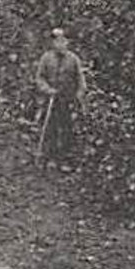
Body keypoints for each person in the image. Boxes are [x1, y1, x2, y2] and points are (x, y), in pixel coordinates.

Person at [34, 27, 87, 169]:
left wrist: (79, 94)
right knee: (49, 128)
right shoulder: (46, 58)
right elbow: (39, 78)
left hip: (67, 99)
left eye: (62, 41)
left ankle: (65, 158)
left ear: (67, 42)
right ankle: (49, 157)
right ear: (52, 43)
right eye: (56, 41)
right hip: (51, 99)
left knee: (67, 128)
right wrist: (48, 90)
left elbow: (81, 80)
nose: (60, 44)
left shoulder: (73, 59)